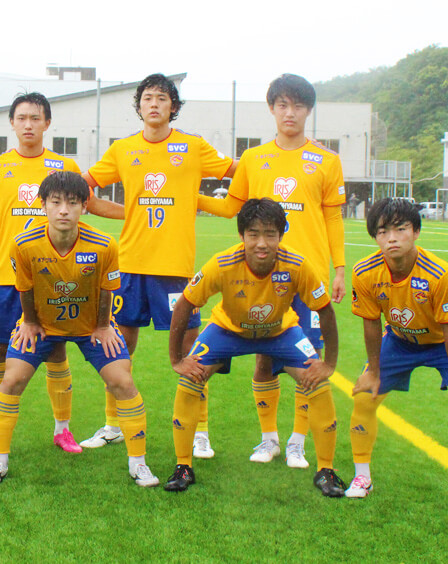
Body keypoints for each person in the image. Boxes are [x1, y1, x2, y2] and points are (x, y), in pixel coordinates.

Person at [80, 73, 235, 458]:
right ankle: (112, 425)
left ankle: (200, 432)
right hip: (130, 265)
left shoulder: (193, 147)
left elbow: (239, 170)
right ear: (139, 106)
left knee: (191, 350)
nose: (154, 104)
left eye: (162, 98)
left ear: (173, 107)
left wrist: (293, 150)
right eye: (147, 98)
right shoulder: (123, 149)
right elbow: (84, 188)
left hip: (175, 270)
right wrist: (127, 211)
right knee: (118, 347)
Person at [198, 74, 346, 468]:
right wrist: (187, 197)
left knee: (308, 361)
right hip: (262, 275)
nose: (289, 112)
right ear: (272, 109)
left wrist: (339, 269)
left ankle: (298, 441)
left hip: (307, 275)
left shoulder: (328, 161)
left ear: (308, 110)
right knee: (265, 357)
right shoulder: (253, 158)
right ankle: (269, 440)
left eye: (297, 105)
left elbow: (333, 219)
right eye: (282, 105)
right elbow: (231, 207)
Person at [0, 171, 159, 488]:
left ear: (85, 207)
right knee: (12, 379)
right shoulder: (23, 244)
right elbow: (25, 288)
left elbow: (107, 289)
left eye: (73, 203)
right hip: (43, 326)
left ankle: (139, 464)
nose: (64, 210)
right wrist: (30, 322)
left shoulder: (104, 245)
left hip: (90, 327)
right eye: (56, 202)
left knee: (123, 381)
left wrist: (103, 326)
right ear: (42, 205)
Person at [165, 198, 346, 497]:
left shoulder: (297, 264)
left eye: (270, 234)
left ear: (281, 235)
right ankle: (183, 466)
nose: (262, 243)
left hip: (280, 331)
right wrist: (177, 359)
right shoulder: (222, 264)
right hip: (228, 330)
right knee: (190, 379)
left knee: (318, 383)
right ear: (242, 235)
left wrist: (329, 363)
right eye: (253, 234)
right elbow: (185, 303)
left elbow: (324, 309)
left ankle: (326, 470)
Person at [345, 198, 448, 514]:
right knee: (364, 398)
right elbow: (371, 323)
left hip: (447, 341)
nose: (391, 238)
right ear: (374, 236)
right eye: (383, 231)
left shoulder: (439, 273)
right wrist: (373, 371)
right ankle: (362, 477)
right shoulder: (364, 272)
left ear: (416, 231)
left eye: (400, 229)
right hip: (400, 340)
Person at [0, 92, 82, 454]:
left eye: (35, 118)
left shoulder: (64, 166)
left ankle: (63, 429)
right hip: (6, 277)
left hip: (52, 279)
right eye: (22, 118)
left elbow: (80, 209)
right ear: (12, 123)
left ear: (47, 123)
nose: (28, 125)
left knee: (56, 351)